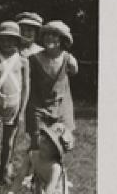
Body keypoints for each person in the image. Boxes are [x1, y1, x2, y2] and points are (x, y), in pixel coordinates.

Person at [0, 20, 29, 185]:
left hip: (13, 105)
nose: (7, 43)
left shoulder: (23, 61)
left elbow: (25, 88)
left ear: (17, 41)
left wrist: (21, 112)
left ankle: (3, 171)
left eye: (11, 39)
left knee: (8, 142)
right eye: (3, 39)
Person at [0, 123, 70, 194]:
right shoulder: (33, 155)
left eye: (50, 144)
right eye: (44, 139)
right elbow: (19, 179)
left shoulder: (55, 168)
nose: (44, 144)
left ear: (56, 151)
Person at [26, 20, 78, 150]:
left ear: (62, 39)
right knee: (37, 143)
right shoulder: (33, 59)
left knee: (62, 144)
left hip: (61, 107)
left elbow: (74, 72)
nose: (49, 37)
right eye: (46, 34)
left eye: (54, 35)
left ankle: (57, 170)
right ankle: (34, 168)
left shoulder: (68, 59)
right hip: (38, 107)